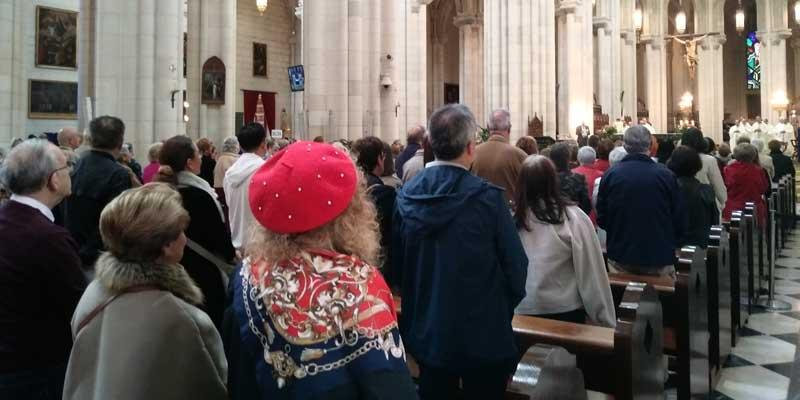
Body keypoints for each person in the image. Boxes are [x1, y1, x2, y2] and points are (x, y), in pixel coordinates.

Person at [226, 141, 416, 400]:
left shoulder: (246, 274)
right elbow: (389, 385)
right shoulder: (361, 285)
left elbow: (240, 376)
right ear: (350, 213)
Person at [393, 104, 527, 399]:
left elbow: (397, 269)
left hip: (428, 332)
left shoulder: (405, 197)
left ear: (430, 143)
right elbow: (516, 268)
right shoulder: (488, 200)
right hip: (483, 334)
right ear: (470, 147)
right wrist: (499, 311)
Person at [63, 183, 227, 400]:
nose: (185, 239)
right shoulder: (182, 318)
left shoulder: (95, 290)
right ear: (167, 246)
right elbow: (212, 384)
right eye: (181, 232)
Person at [0, 140, 86, 400]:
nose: (70, 172)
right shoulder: (49, 238)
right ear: (53, 180)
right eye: (66, 167)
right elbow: (77, 307)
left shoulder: (9, 218)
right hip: (34, 370)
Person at [514, 155, 615, 327]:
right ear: (553, 181)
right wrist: (604, 319)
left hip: (524, 308)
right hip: (562, 309)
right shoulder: (573, 218)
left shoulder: (512, 220)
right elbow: (591, 269)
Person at [154, 136, 235, 330]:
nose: (201, 158)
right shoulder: (199, 195)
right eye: (198, 154)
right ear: (189, 162)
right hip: (203, 272)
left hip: (169, 269)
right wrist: (232, 255)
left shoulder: (160, 191)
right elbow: (217, 237)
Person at [597, 126, 685, 278]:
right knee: (664, 292)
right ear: (650, 146)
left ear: (625, 146)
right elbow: (678, 216)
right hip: (658, 254)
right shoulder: (665, 175)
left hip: (621, 253)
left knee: (621, 292)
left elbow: (602, 217)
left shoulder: (611, 175)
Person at [65, 116, 133, 270]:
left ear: (90, 139)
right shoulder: (118, 174)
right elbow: (115, 222)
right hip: (99, 259)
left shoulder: (78, 164)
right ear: (120, 141)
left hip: (72, 250)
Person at [353, 136, 397, 286]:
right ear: (379, 159)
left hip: (353, 253)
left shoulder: (351, 187)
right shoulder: (386, 194)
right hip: (378, 258)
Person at [224, 123, 267, 252]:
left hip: (237, 242)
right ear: (263, 144)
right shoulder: (265, 170)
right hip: (260, 244)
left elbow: (230, 203)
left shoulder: (229, 173)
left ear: (241, 146)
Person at [472, 109, 529, 203]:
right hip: (509, 210)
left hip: (478, 209)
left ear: (487, 127)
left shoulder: (473, 153)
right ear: (509, 128)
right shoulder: (519, 155)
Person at [667, 146, 718, 248]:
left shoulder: (667, 190)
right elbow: (715, 221)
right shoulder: (706, 190)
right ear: (697, 165)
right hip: (701, 245)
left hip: (673, 245)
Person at [680, 128, 727, 212]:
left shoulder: (677, 158)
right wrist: (722, 202)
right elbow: (718, 187)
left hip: (683, 205)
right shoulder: (709, 160)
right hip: (705, 204)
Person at [723, 143, 769, 226]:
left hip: (733, 209)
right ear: (753, 155)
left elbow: (724, 188)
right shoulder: (759, 170)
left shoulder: (728, 170)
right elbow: (763, 188)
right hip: (754, 208)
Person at [548, 142, 591, 215]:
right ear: (568, 159)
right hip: (575, 218)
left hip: (552, 218)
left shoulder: (546, 179)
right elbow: (586, 206)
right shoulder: (578, 179)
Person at [572, 146, 603, 224]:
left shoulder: (572, 174)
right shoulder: (602, 176)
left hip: (576, 218)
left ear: (578, 158)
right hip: (596, 218)